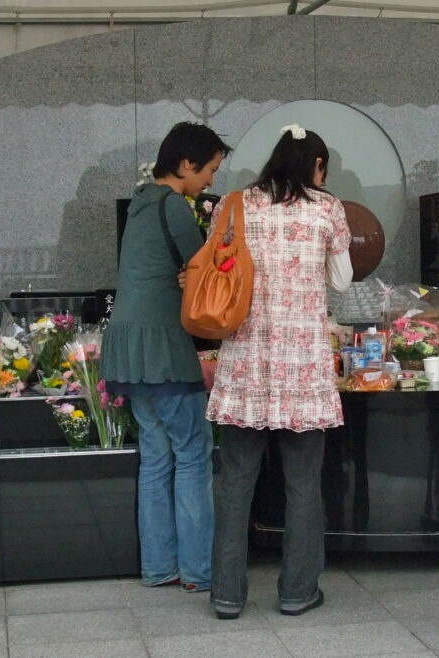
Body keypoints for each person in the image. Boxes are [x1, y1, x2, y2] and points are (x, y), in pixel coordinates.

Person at [207, 124, 352, 620]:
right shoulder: (327, 208)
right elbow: (342, 279)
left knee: (234, 485)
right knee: (303, 485)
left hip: (244, 365)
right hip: (303, 368)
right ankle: (297, 592)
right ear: (316, 166)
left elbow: (217, 266)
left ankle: (226, 595)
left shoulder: (235, 205)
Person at [101, 121, 232, 593]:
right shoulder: (175, 206)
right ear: (185, 164)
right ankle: (197, 571)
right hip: (162, 347)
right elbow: (209, 270)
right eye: (210, 170)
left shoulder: (141, 202)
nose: (212, 181)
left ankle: (158, 568)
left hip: (128, 347)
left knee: (154, 458)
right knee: (194, 455)